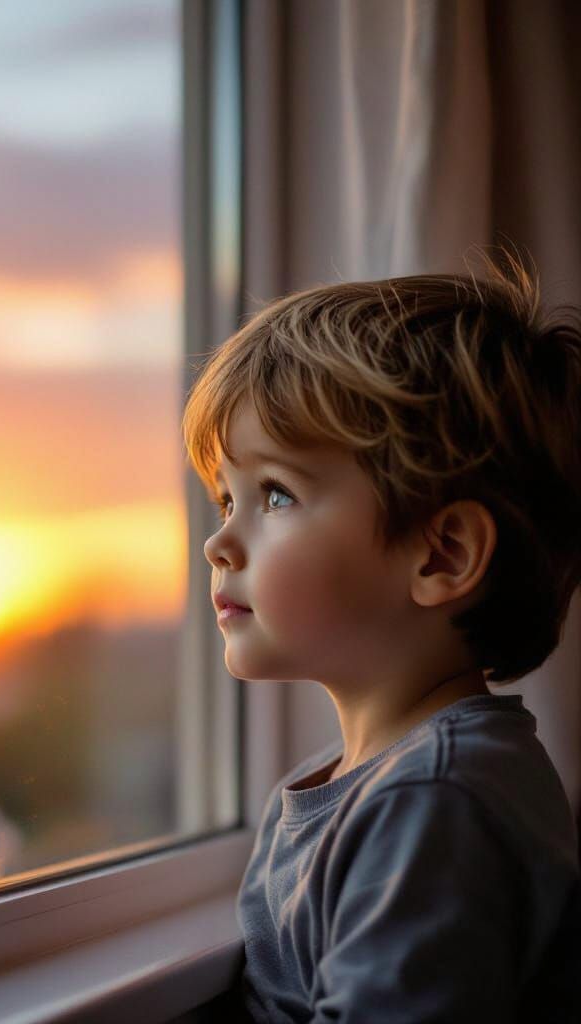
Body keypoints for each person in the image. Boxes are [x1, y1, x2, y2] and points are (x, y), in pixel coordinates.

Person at [180, 244, 581, 1022]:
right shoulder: (371, 781)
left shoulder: (436, 800)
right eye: (225, 501)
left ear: (442, 554)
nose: (218, 543)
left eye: (276, 496)